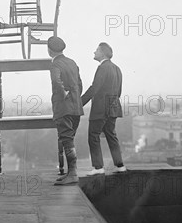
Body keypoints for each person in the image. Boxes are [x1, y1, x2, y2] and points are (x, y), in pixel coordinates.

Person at [81, 42, 127, 176]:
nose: (94, 52)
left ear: (102, 53)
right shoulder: (117, 68)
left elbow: (94, 88)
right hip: (113, 108)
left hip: (101, 109)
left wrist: (78, 103)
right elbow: (118, 92)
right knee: (112, 136)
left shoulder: (102, 68)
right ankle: (120, 165)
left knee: (93, 136)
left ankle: (98, 167)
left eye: (96, 50)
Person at [47, 36, 84, 185]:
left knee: (67, 140)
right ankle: (71, 172)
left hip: (63, 109)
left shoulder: (55, 64)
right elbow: (80, 84)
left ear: (49, 50)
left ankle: (73, 174)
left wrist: (63, 94)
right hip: (76, 108)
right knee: (70, 140)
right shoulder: (72, 62)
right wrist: (74, 99)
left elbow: (56, 81)